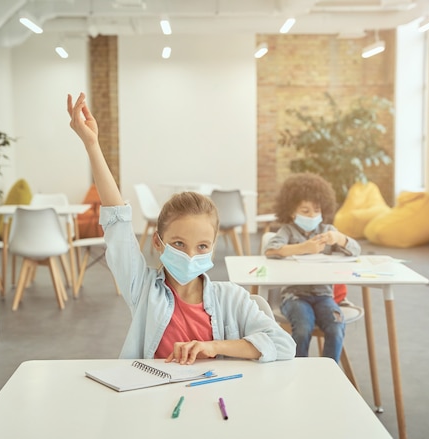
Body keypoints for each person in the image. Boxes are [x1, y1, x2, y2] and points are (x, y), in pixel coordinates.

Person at [67, 92, 295, 365]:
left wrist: (214, 346)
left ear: (213, 248)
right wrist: (92, 144)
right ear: (157, 242)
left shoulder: (232, 298)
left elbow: (283, 346)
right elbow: (117, 221)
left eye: (201, 247)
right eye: (178, 244)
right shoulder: (143, 289)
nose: (189, 256)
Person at [263, 173, 361, 363]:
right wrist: (303, 248)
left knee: (336, 325)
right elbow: (271, 250)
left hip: (324, 295)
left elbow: (356, 250)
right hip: (295, 296)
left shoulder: (327, 230)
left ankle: (329, 372)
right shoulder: (288, 231)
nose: (312, 215)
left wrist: (339, 238)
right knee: (302, 327)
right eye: (305, 211)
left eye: (316, 210)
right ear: (293, 212)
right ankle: (298, 373)